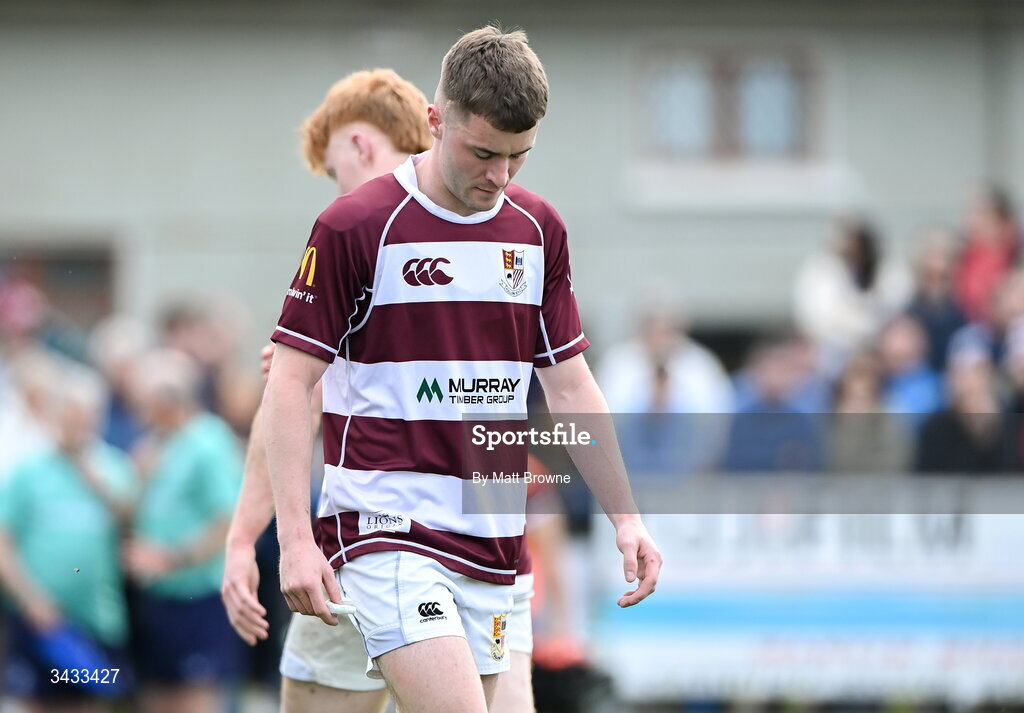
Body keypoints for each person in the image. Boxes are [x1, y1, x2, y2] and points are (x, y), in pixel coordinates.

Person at [262, 25, 662, 713]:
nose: (500, 176)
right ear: (435, 121)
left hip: (494, 542)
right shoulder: (356, 226)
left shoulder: (539, 231)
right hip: (386, 532)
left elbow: (569, 384)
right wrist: (293, 539)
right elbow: (289, 382)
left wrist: (625, 517)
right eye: (483, 153)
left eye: (519, 156)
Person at [221, 69, 430, 713]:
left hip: (366, 545)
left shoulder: (347, 233)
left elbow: (292, 399)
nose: (336, 184)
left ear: (362, 146)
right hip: (481, 548)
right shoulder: (497, 228)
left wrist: (245, 539)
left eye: (334, 163)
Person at [0, 364, 135, 713]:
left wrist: (98, 485)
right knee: (36, 702)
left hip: (97, 618)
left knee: (90, 701)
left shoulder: (112, 468)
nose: (78, 424)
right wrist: (30, 599)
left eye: (86, 416)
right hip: (38, 619)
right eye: (70, 414)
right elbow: (3, 540)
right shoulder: (26, 471)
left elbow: (132, 530)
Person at [123, 349, 243, 713]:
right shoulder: (156, 443)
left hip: (197, 596)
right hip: (159, 597)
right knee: (158, 696)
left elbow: (229, 520)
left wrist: (172, 558)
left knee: (195, 699)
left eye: (144, 401)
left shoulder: (208, 441)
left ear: (167, 399)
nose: (138, 410)